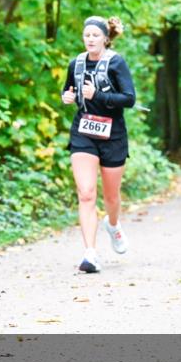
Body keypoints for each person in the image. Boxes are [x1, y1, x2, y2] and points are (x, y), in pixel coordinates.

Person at [61, 16, 136, 274]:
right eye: (86, 35)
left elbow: (129, 99)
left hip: (113, 134)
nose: (90, 39)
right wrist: (67, 97)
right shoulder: (76, 63)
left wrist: (99, 95)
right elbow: (67, 90)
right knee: (86, 193)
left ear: (105, 38)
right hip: (84, 132)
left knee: (111, 197)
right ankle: (90, 254)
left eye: (95, 35)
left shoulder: (116, 62)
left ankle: (113, 225)